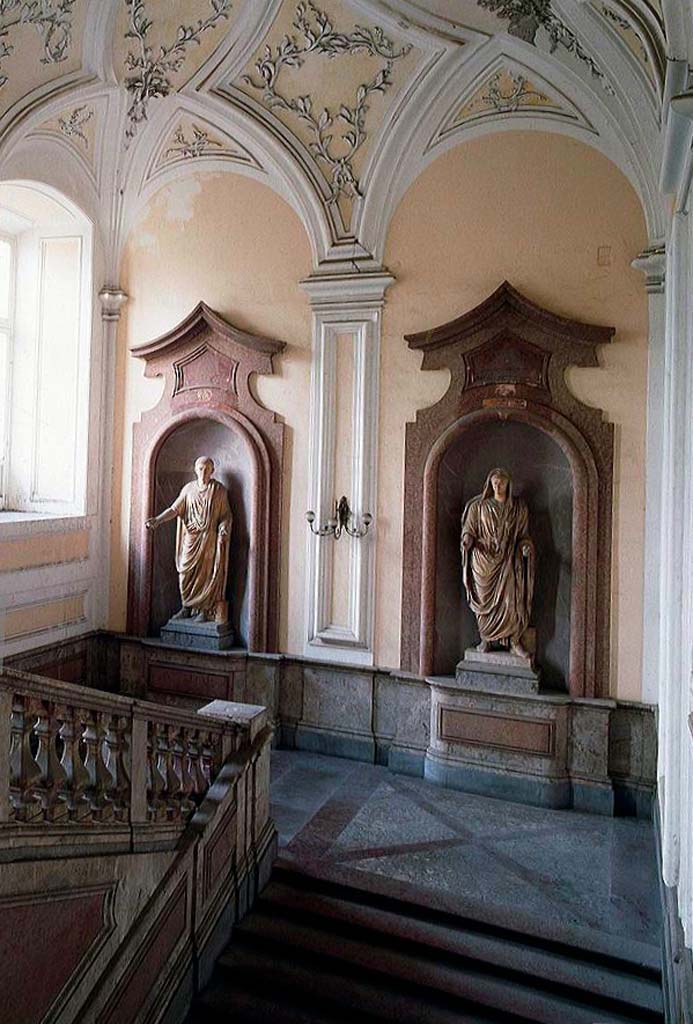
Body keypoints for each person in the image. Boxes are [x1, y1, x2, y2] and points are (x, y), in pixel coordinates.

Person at [146, 455, 232, 624]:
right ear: (195, 470)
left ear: (213, 471)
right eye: (200, 468)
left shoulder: (219, 490)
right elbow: (174, 509)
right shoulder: (188, 489)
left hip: (208, 539)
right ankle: (186, 607)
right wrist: (157, 520)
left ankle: (204, 609)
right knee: (184, 572)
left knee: (206, 575)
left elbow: (226, 515)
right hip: (191, 539)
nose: (204, 471)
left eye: (207, 468)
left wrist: (223, 529)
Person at [460, 467, 534, 658]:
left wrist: (525, 547)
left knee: (512, 601)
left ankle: (514, 641)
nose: (498, 486)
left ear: (508, 484)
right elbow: (469, 528)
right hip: (483, 562)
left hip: (508, 560)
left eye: (501, 483)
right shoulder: (478, 507)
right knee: (483, 600)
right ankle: (486, 639)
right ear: (489, 484)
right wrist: (467, 540)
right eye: (494, 483)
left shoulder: (518, 508)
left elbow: (524, 536)